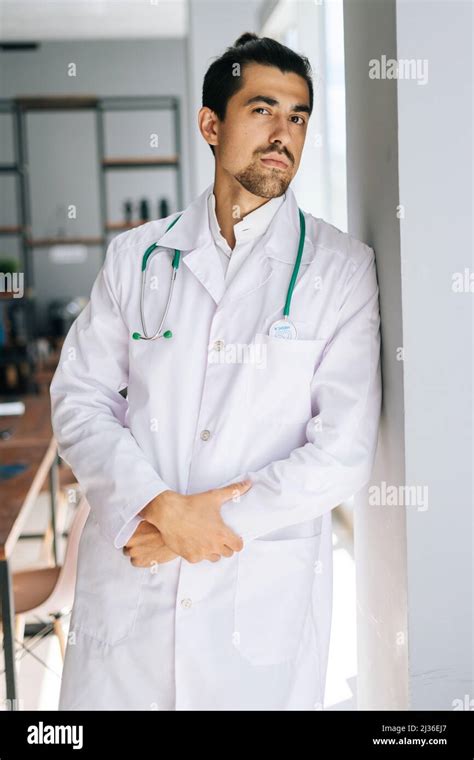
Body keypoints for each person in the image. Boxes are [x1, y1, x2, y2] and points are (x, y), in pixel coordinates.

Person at [50, 32, 381, 711]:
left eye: (298, 116)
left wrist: (196, 530)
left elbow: (343, 452)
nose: (283, 133)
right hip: (132, 589)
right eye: (262, 110)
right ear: (211, 123)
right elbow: (79, 398)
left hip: (256, 591)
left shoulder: (342, 269)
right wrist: (159, 509)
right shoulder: (138, 258)